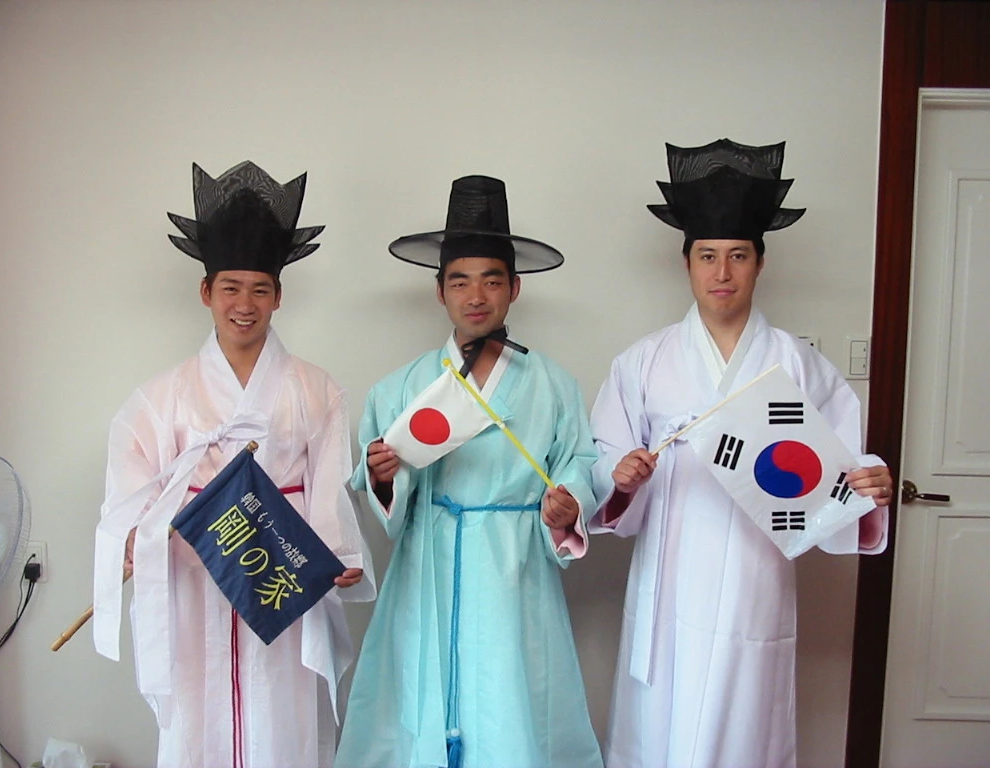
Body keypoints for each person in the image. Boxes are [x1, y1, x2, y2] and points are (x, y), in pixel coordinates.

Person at [589, 139, 894, 768]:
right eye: (707, 256)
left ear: (760, 263)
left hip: (756, 577)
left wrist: (868, 487)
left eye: (738, 256)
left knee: (745, 725)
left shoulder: (797, 365)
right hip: (671, 575)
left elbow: (842, 470)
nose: (722, 273)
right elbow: (606, 462)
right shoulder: (643, 361)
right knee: (663, 726)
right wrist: (622, 478)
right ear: (686, 263)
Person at [91, 161, 375, 768]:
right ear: (206, 292)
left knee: (282, 713)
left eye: (260, 290)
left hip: (280, 574)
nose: (245, 305)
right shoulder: (162, 396)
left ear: (279, 296)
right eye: (230, 288)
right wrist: (143, 532)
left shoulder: (317, 389)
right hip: (198, 569)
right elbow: (132, 478)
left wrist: (337, 553)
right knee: (200, 716)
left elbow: (330, 485)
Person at [334, 175, 603, 768]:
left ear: (514, 288)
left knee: (513, 700)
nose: (475, 295)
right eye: (460, 280)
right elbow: (377, 488)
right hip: (427, 562)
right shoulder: (401, 388)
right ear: (440, 291)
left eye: (491, 280)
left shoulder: (553, 385)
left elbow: (580, 463)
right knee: (417, 700)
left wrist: (568, 505)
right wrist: (383, 475)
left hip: (514, 566)